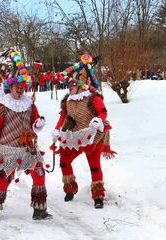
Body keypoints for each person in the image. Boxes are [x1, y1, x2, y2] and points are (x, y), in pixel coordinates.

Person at [0, 50, 49, 221]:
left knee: (39, 172)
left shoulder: (29, 104)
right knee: (5, 179)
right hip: (8, 148)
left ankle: (39, 210)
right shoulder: (2, 106)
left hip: (28, 148)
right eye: (17, 87)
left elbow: (35, 122)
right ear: (10, 87)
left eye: (22, 87)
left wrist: (38, 124)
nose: (20, 90)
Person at [51, 54, 116, 209]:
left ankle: (98, 195)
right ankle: (70, 188)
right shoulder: (68, 100)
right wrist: (56, 130)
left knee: (94, 165)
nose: (70, 87)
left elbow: (103, 112)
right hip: (75, 136)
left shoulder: (93, 97)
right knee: (64, 161)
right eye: (69, 85)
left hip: (94, 136)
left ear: (82, 84)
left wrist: (98, 120)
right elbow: (63, 116)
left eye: (73, 85)